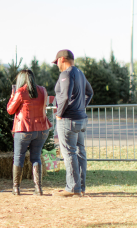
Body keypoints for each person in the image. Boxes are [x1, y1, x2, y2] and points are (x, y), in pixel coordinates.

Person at [51, 50, 93, 197]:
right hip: (81, 119)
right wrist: (81, 107)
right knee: (80, 153)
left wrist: (59, 114)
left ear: (62, 59)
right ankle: (80, 187)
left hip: (68, 120)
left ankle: (72, 187)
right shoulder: (80, 73)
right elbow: (90, 92)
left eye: (57, 62)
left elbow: (65, 96)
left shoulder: (66, 74)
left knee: (69, 153)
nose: (57, 65)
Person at [7, 69, 52, 196]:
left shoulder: (20, 92)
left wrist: (12, 97)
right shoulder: (43, 90)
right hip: (42, 129)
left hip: (24, 129)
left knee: (18, 157)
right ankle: (38, 188)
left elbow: (10, 110)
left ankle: (16, 188)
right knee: (36, 157)